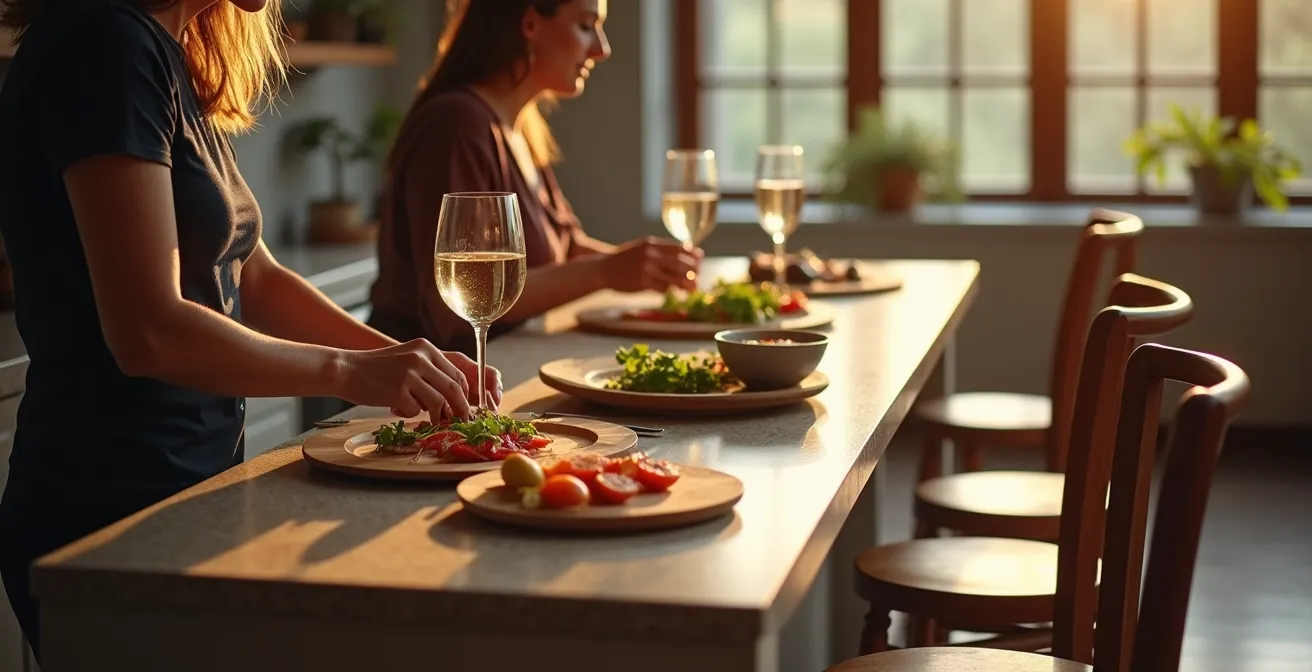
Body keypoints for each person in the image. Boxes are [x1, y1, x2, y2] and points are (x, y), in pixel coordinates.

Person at [0, 0, 499, 659]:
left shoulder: (167, 53)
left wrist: (406, 361)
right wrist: (351, 372)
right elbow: (148, 330)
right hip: (110, 509)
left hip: (188, 494)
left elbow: (254, 276)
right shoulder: (103, 44)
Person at [368, 0, 703, 355]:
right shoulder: (456, 124)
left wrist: (648, 269)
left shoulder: (521, 127)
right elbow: (455, 308)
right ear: (530, 23)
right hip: (425, 390)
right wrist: (605, 271)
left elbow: (566, 247)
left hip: (499, 366)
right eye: (586, 26)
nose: (601, 49)